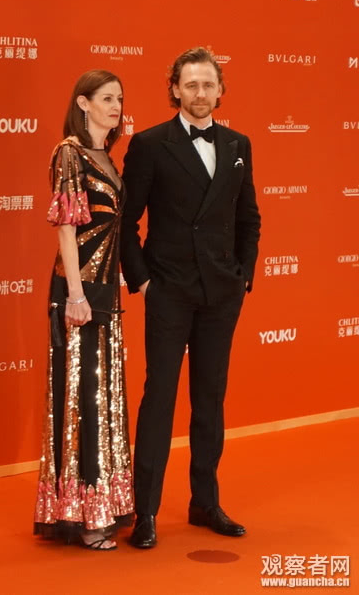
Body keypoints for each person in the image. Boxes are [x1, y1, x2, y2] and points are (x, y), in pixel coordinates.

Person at [121, 47, 261, 549]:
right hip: (170, 290)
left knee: (210, 398)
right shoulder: (149, 144)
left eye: (208, 84)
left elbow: (248, 217)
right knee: (159, 397)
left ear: (220, 91)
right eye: (191, 84)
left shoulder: (239, 144)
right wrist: (144, 282)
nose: (200, 93)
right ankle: (146, 511)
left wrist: (243, 276)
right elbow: (126, 222)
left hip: (221, 293)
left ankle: (204, 502)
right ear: (175, 89)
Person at [33, 70, 134, 550]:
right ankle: (82, 515)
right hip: (79, 291)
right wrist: (74, 294)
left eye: (119, 99)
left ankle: (101, 506)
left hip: (104, 291)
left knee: (102, 399)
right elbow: (66, 229)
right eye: (106, 98)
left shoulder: (107, 157)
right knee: (83, 399)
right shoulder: (70, 153)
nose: (116, 106)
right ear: (83, 103)